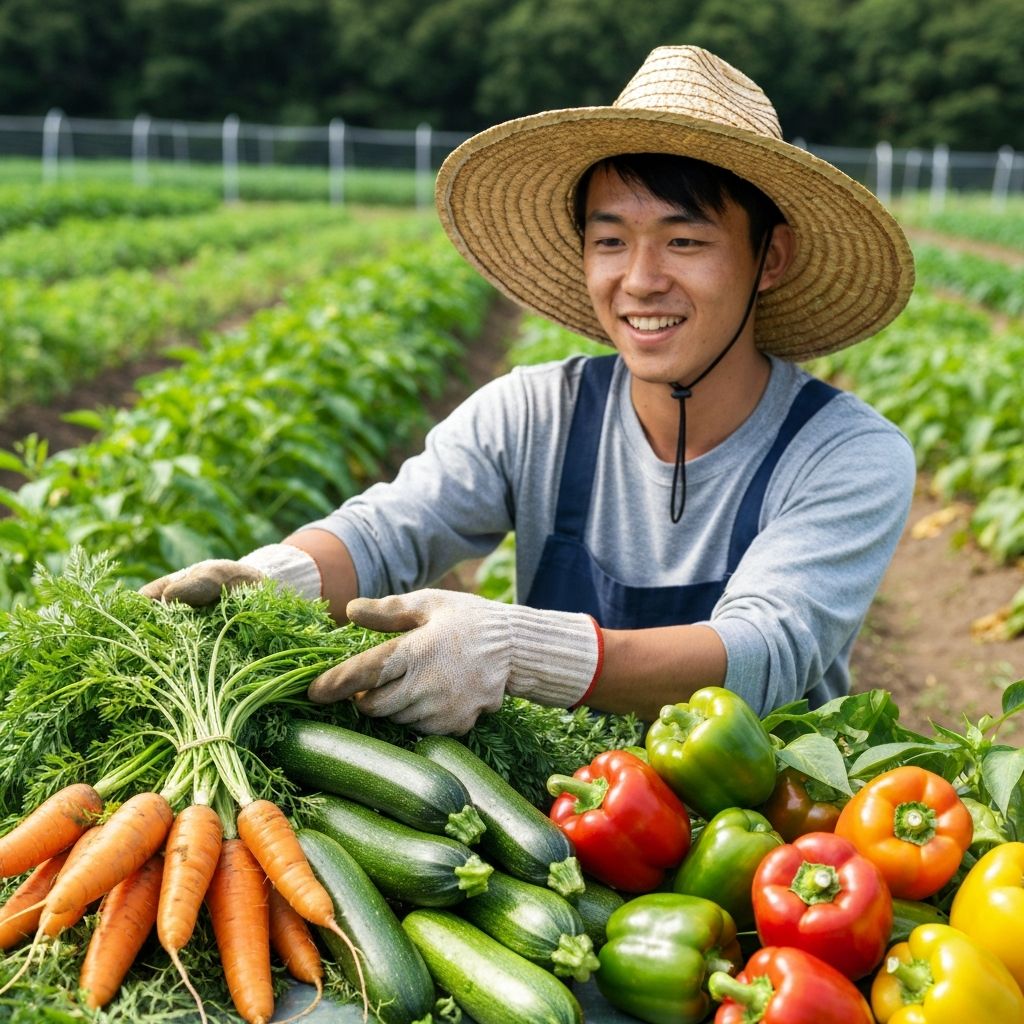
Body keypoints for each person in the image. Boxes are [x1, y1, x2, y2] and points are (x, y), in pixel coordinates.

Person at [142, 45, 917, 735]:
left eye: (684, 240)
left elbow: (765, 650)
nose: (640, 279)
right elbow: (391, 531)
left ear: (769, 259)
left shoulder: (845, 454)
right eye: (609, 240)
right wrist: (276, 579)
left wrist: (521, 648)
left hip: (766, 831)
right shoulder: (536, 414)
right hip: (566, 805)